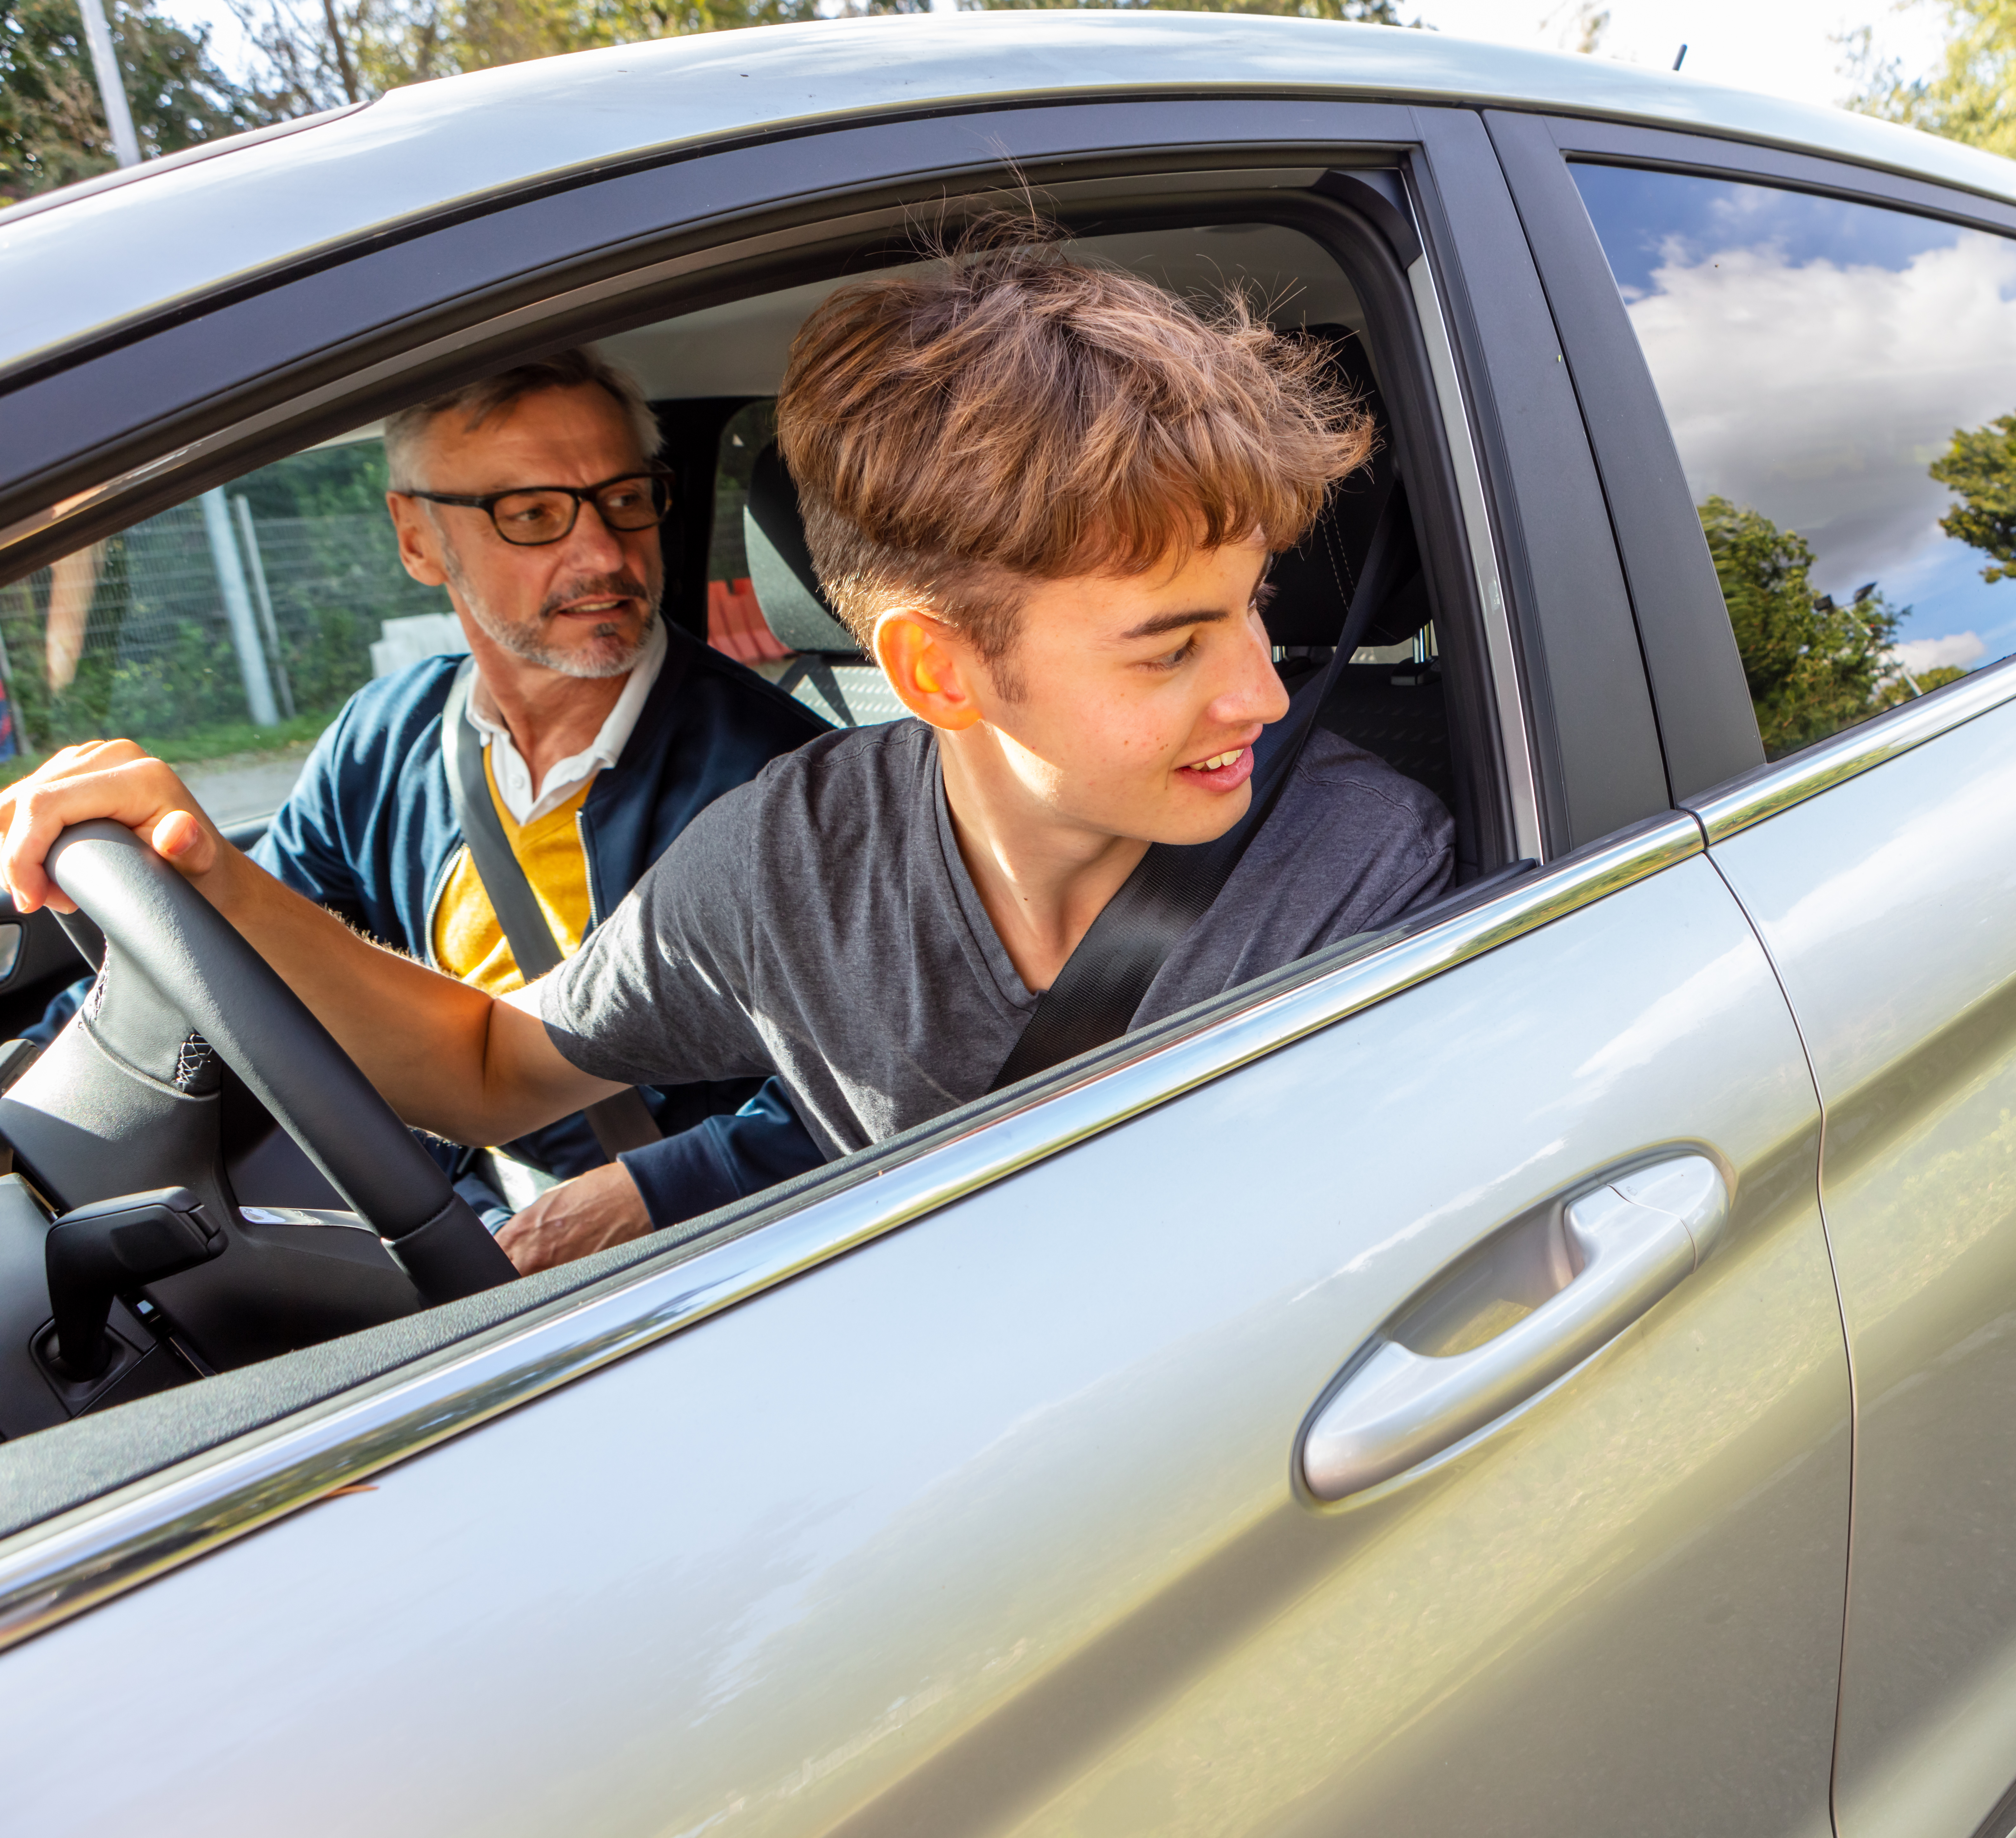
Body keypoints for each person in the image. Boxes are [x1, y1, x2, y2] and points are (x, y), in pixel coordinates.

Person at [0, 240, 1452, 1273]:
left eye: (1257, 606)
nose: (1266, 692)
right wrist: (214, 876)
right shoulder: (785, 857)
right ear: (940, 672)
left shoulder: (1361, 863)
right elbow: (496, 1065)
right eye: (1172, 644)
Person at [30, 347, 831, 1272]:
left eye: (624, 499)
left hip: (691, 1269)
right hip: (434, 1215)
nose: (605, 554)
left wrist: (653, 1192)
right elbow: (226, 955)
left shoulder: (784, 779)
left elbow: (883, 1067)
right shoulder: (386, 736)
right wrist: (31, 1097)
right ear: (416, 538)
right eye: (532, 515)